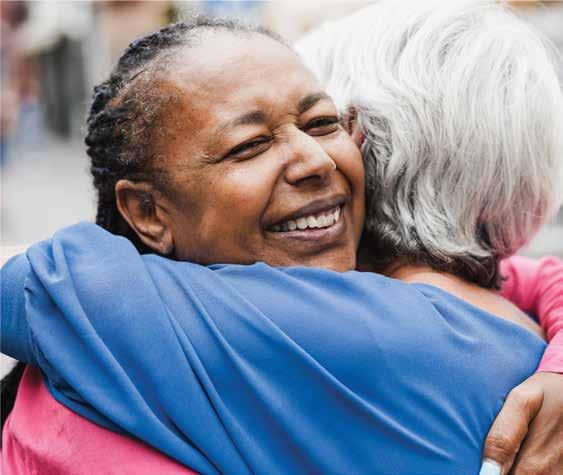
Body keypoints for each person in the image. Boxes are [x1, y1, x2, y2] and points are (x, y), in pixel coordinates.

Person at [1, 3, 563, 474]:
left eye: (324, 123)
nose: (315, 160)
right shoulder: (483, 340)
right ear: (147, 211)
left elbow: (30, 283)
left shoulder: (91, 325)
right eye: (249, 146)